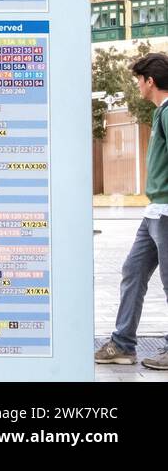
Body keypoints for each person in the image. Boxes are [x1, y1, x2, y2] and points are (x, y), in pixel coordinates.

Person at [95, 51, 168, 370]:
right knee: (133, 271)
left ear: (150, 81)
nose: (137, 86)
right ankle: (123, 344)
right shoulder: (160, 112)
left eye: (138, 80)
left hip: (166, 213)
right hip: (154, 212)